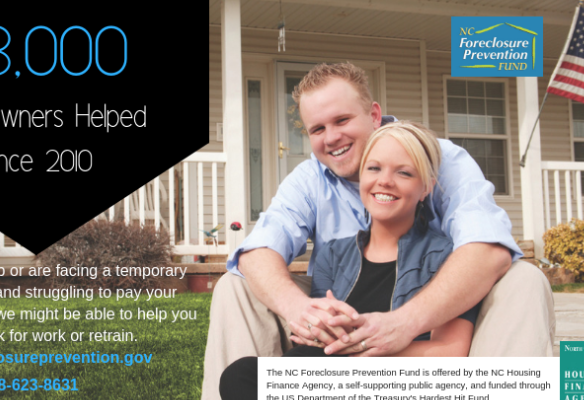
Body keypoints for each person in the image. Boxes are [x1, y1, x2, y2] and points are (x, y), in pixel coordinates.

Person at [201, 62, 554, 400]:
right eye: (317, 129)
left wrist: (403, 325)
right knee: (237, 287)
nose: (332, 138)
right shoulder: (310, 181)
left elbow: (488, 248)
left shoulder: (436, 158)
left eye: (342, 120)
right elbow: (259, 249)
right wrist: (300, 311)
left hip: (422, 328)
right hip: (336, 340)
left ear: (372, 114)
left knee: (524, 279)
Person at [219, 121, 480, 400]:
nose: (385, 181)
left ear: (426, 187)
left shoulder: (446, 258)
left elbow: (450, 352)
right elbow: (316, 341)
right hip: (321, 379)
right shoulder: (333, 254)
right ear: (362, 179)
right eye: (374, 168)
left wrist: (363, 348)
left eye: (404, 172)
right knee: (241, 375)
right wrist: (320, 329)